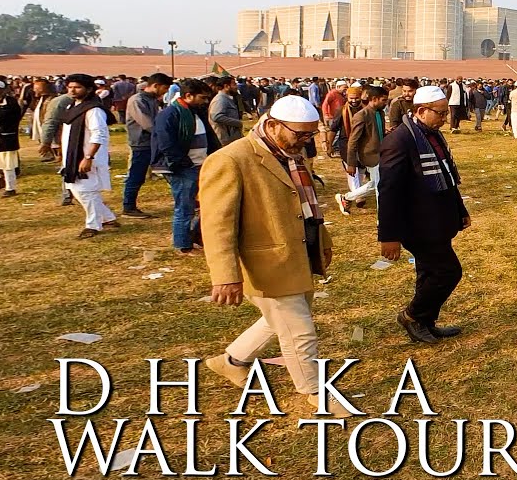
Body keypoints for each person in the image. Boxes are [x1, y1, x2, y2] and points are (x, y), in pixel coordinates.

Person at [200, 95, 349, 418]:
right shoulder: (232, 159)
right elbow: (217, 224)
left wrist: (321, 240)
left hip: (298, 254)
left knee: (277, 320)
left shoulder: (291, 154)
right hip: (265, 262)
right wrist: (226, 274)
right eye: (300, 135)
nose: (306, 142)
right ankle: (313, 391)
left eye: (310, 135)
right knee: (299, 331)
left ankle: (229, 362)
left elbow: (307, 205)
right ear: (271, 125)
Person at [378, 86, 471, 343]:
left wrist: (460, 210)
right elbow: (388, 191)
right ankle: (411, 315)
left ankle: (425, 323)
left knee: (429, 273)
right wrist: (389, 236)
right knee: (448, 272)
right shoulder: (400, 141)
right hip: (417, 225)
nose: (444, 118)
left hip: (439, 221)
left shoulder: (432, 135)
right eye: (440, 114)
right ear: (420, 111)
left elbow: (447, 176)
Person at [152, 79, 221, 254]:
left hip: (200, 165)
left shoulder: (196, 113)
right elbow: (166, 143)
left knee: (207, 204)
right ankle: (183, 245)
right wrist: (184, 163)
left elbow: (210, 138)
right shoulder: (170, 114)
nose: (205, 101)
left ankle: (195, 237)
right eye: (202, 97)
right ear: (188, 96)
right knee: (185, 207)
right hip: (182, 168)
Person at [58, 74, 119, 237]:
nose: (72, 90)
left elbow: (99, 135)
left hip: (88, 157)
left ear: (89, 89)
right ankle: (107, 217)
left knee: (86, 191)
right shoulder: (72, 107)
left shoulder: (94, 110)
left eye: (77, 87)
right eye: (70, 87)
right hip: (72, 157)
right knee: (77, 189)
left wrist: (88, 157)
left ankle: (93, 225)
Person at [121, 72, 172, 218]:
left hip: (153, 141)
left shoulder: (152, 100)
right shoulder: (137, 100)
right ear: (156, 86)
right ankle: (128, 207)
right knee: (136, 176)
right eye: (165, 89)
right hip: (141, 143)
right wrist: (163, 134)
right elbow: (147, 123)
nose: (165, 92)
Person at [336, 85, 388, 214]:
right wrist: (351, 163)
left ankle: (346, 197)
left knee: (377, 183)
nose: (385, 103)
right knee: (379, 187)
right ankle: (381, 220)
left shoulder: (380, 113)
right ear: (374, 99)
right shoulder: (362, 115)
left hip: (381, 153)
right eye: (383, 100)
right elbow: (353, 141)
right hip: (371, 156)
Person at [0, 80, 20, 196]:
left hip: (6, 137)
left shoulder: (10, 103)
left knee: (8, 164)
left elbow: (12, 118)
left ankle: (10, 187)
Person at [208, 77, 245, 145]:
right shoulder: (220, 99)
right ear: (226, 86)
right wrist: (238, 123)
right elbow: (217, 117)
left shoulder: (226, 98)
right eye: (234, 84)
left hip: (231, 138)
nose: (236, 87)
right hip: (226, 139)